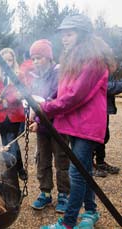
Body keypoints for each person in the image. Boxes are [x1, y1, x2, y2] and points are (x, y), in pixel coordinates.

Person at [39, 14, 116, 229]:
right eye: (63, 34)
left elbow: (75, 96)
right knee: (84, 171)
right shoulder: (73, 58)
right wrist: (42, 110)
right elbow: (61, 91)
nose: (64, 38)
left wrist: (46, 108)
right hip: (74, 123)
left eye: (69, 33)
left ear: (82, 35)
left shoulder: (94, 61)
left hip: (86, 126)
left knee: (77, 174)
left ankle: (68, 222)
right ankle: (91, 212)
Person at [27, 39, 70, 213]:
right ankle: (45, 192)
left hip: (59, 126)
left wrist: (37, 119)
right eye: (33, 58)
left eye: (39, 58)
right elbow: (34, 99)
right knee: (42, 160)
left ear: (49, 57)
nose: (36, 62)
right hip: (42, 128)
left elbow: (55, 100)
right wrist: (30, 113)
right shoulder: (36, 77)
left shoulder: (58, 74)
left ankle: (64, 194)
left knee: (61, 161)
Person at [0, 48, 27, 180]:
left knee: (13, 141)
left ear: (14, 61)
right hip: (1, 115)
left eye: (10, 60)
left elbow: (23, 91)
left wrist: (9, 99)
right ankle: (9, 166)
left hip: (15, 114)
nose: (7, 63)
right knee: (5, 142)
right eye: (5, 60)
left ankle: (19, 167)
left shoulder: (19, 75)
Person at [92, 71, 122, 177]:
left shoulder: (105, 66)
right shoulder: (94, 67)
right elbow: (106, 87)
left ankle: (100, 162)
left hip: (103, 108)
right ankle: (89, 165)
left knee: (104, 135)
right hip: (95, 108)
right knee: (94, 137)